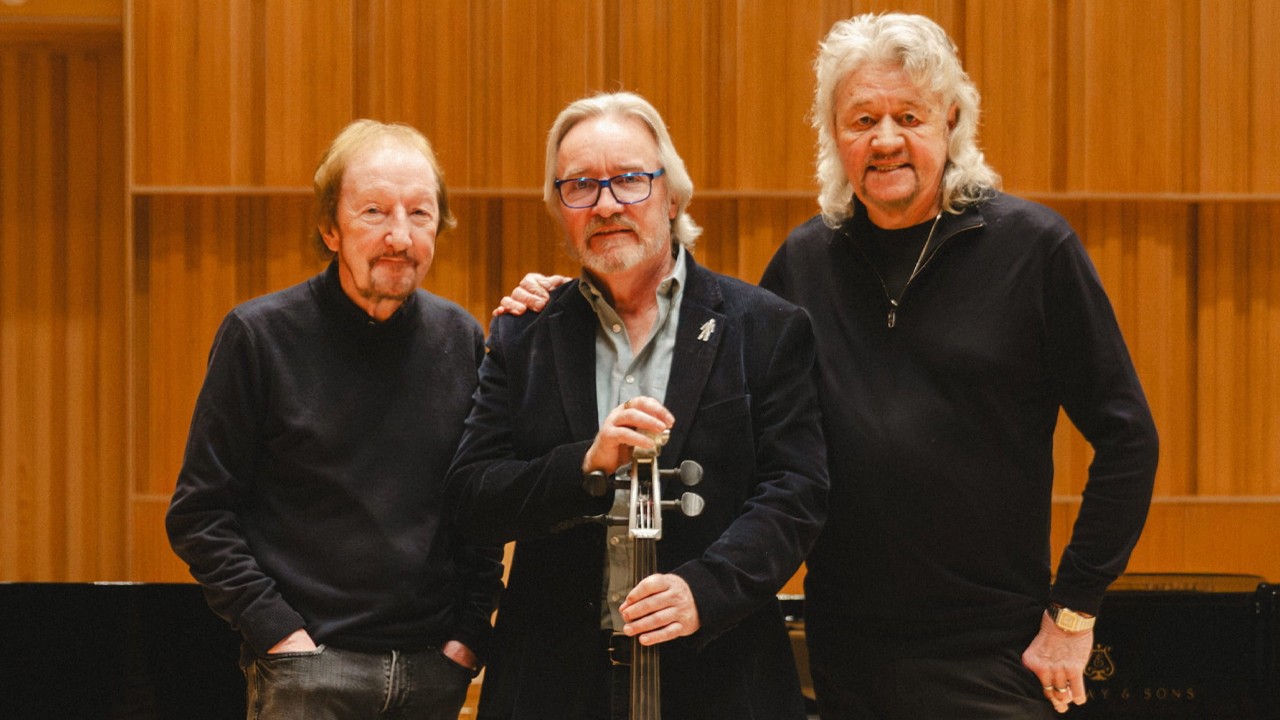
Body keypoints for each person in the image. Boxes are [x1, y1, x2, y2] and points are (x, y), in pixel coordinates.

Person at [758, 13, 1160, 719]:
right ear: (834, 135)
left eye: (907, 116)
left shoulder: (1035, 250)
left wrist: (1073, 613)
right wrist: (569, 303)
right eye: (862, 120)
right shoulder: (801, 263)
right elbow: (725, 403)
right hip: (843, 654)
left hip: (996, 655)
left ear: (950, 120)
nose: (885, 140)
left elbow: (1129, 438)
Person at [446, 92, 828, 719]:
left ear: (672, 197)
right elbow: (473, 498)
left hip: (723, 677)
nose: (606, 204)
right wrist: (586, 465)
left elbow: (797, 491)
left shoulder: (764, 326)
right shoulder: (523, 334)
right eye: (580, 187)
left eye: (629, 180)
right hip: (552, 683)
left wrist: (705, 589)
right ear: (560, 211)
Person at [166, 120, 504, 720]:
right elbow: (200, 513)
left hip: (433, 672)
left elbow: (473, 505)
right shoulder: (258, 337)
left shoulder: (462, 338)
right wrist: (281, 638)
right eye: (374, 211)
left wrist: (469, 636)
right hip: (307, 672)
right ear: (330, 228)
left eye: (420, 214)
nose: (400, 236)